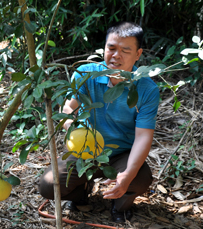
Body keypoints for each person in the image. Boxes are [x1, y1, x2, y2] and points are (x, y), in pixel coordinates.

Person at [39, 21, 160, 223]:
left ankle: (120, 206)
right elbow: (68, 108)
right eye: (111, 48)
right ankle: (80, 193)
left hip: (121, 153)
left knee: (140, 179)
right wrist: (74, 128)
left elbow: (143, 136)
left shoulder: (146, 89)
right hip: (86, 148)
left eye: (125, 50)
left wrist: (128, 173)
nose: (116, 55)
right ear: (104, 48)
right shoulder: (86, 74)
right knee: (48, 185)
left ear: (138, 54)